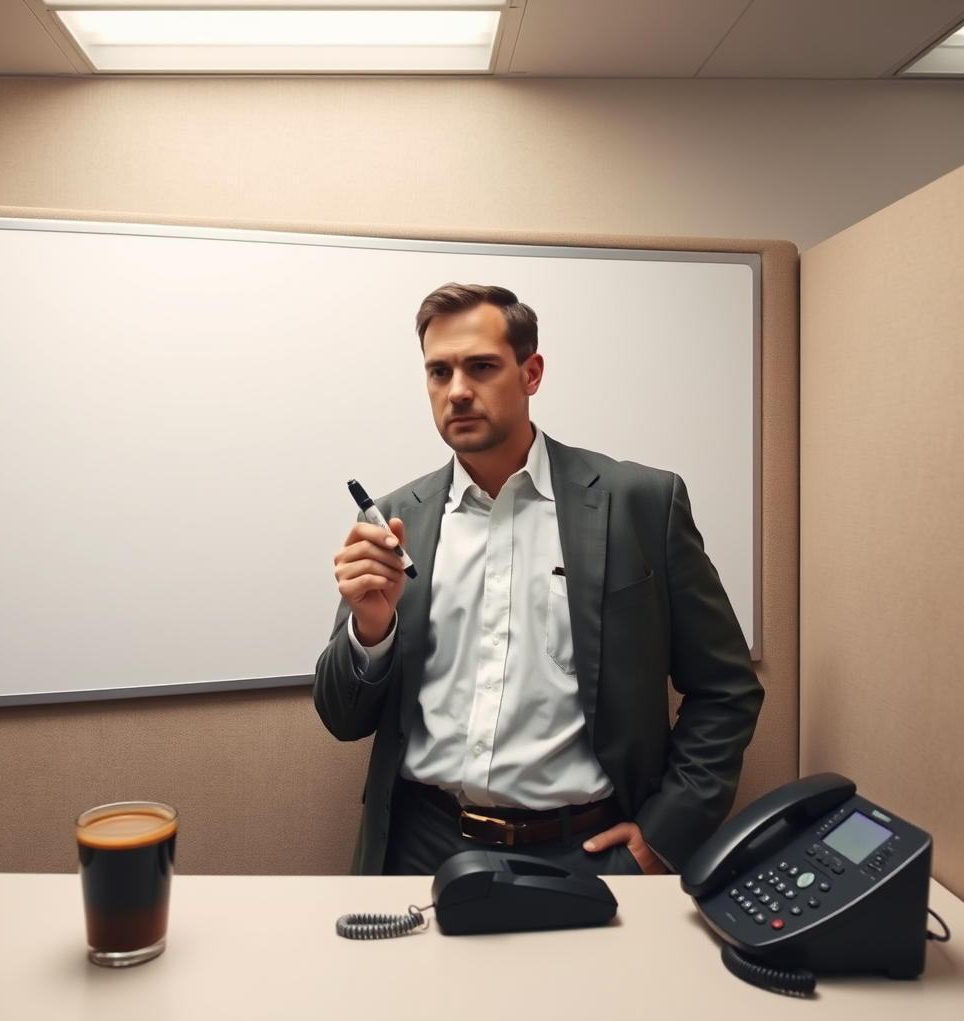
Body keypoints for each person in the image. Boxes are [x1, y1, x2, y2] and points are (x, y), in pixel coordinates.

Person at [314, 283, 763, 876]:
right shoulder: (396, 521)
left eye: (481, 367)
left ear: (531, 373)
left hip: (586, 852)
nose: (458, 391)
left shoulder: (641, 504)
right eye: (439, 372)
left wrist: (663, 833)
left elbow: (725, 690)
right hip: (420, 845)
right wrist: (371, 630)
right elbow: (344, 721)